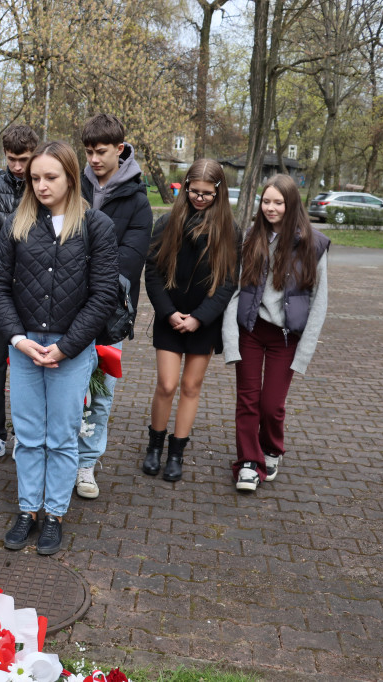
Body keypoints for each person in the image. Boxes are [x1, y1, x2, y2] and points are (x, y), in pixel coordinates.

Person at [0, 140, 118, 555]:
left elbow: (103, 295)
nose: (41, 185)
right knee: (27, 435)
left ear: (70, 177)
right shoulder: (17, 224)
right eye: (35, 178)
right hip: (25, 346)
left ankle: (54, 513)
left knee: (61, 436)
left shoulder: (96, 226)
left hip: (72, 348)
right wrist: (18, 339)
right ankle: (28, 509)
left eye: (50, 177)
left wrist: (67, 346)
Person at [222, 174, 330, 492]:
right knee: (248, 401)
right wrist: (231, 341)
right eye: (266, 201)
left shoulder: (314, 244)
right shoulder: (252, 238)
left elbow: (319, 303)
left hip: (286, 338)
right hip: (252, 331)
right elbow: (236, 291)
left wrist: (304, 353)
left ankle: (271, 449)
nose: (270, 208)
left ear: (291, 204)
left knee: (271, 405)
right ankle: (247, 463)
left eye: (278, 202)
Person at [74, 114, 154, 498]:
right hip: (66, 309)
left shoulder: (138, 202)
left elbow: (128, 261)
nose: (93, 159)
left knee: (100, 395)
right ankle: (59, 456)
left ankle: (86, 464)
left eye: (101, 151)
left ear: (120, 149)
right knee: (66, 392)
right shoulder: (73, 187)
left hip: (110, 317)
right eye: (88, 151)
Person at [143, 159, 238, 483]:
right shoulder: (167, 222)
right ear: (185, 188)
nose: (199, 198)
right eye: (194, 191)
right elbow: (152, 274)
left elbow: (228, 283)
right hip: (169, 317)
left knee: (190, 386)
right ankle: (154, 445)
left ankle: (176, 452)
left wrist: (199, 318)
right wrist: (168, 313)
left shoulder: (229, 231)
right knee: (167, 384)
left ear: (218, 192)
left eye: (207, 194)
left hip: (204, 322)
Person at [0, 124, 39, 465]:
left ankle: (25, 436)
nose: (17, 167)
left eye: (23, 159)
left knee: (31, 367)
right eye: (12, 159)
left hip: (37, 295)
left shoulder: (44, 186)